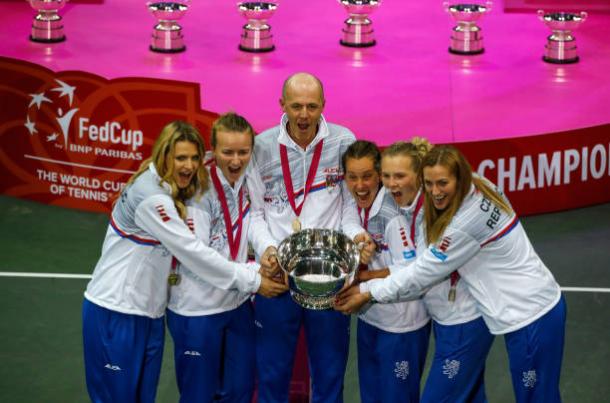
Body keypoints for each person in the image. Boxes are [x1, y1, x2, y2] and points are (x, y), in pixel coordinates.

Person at [336, 145, 567, 403]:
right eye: (430, 183)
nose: (435, 191)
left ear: (459, 178)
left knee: (535, 396)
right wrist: (367, 279)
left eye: (442, 183)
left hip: (528, 315)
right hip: (503, 313)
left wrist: (367, 294)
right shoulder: (476, 185)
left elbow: (422, 275)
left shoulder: (461, 224)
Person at [82, 120, 285, 403]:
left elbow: (247, 219)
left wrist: (265, 250)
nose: (189, 166)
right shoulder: (154, 199)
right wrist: (254, 278)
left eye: (193, 158)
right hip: (115, 309)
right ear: (164, 154)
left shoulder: (180, 184)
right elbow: (194, 254)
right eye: (180, 158)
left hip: (149, 312)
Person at [247, 72, 372, 403]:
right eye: (296, 106)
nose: (304, 115)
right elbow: (255, 213)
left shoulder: (343, 141)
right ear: (282, 105)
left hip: (328, 277)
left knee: (329, 375)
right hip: (278, 278)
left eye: (312, 106)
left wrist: (357, 235)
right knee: (272, 375)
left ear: (324, 106)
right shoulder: (261, 147)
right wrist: (267, 249)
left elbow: (348, 208)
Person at [166, 113, 287, 403]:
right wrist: (256, 279)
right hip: (197, 308)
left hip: (236, 303)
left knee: (240, 391)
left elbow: (254, 217)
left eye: (243, 152)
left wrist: (268, 248)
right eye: (227, 152)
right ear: (212, 149)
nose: (236, 161)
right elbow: (200, 258)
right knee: (199, 395)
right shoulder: (197, 189)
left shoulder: (248, 177)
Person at [380, 140, 495, 403]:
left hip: (465, 322)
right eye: (386, 176)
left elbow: (420, 274)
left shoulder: (436, 210)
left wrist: (366, 292)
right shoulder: (413, 207)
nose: (391, 183)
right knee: (472, 395)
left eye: (399, 176)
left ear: (418, 176)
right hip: (448, 320)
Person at [342, 140, 430, 403]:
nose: (360, 185)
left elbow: (411, 269)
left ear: (379, 176)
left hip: (402, 325)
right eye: (352, 177)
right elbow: (348, 219)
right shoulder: (355, 201)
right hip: (371, 319)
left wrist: (364, 279)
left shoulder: (393, 216)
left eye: (367, 176)